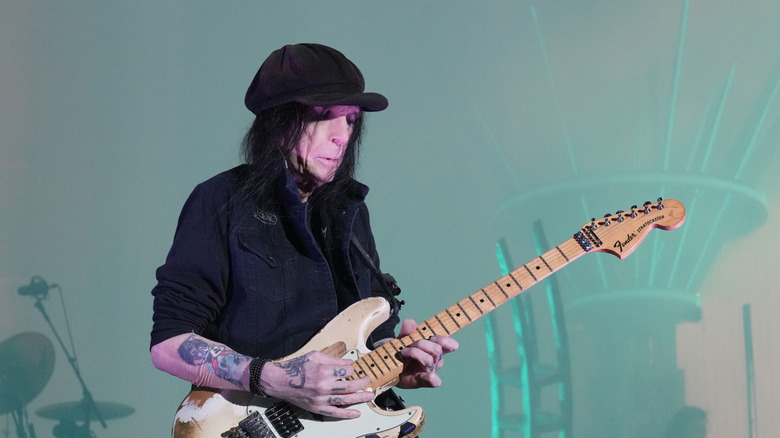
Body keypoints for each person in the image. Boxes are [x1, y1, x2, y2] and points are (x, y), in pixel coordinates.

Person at [149, 43, 459, 423]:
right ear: (279, 123)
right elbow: (168, 343)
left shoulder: (350, 210)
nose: (341, 135)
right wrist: (276, 379)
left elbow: (370, 331)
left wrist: (395, 364)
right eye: (324, 116)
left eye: (350, 120)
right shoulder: (220, 201)